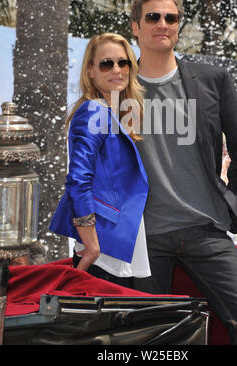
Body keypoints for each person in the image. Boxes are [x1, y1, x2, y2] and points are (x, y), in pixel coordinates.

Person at [130, 0, 237, 344]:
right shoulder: (117, 83)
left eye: (171, 18)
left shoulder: (212, 79)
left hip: (205, 229)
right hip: (143, 237)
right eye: (153, 17)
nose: (163, 24)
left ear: (178, 26)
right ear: (135, 27)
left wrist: (232, 203)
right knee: (146, 336)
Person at [49, 33, 150, 288]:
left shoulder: (115, 113)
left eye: (123, 63)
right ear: (91, 71)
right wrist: (91, 243)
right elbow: (78, 181)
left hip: (116, 246)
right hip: (103, 252)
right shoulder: (94, 110)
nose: (116, 69)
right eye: (106, 64)